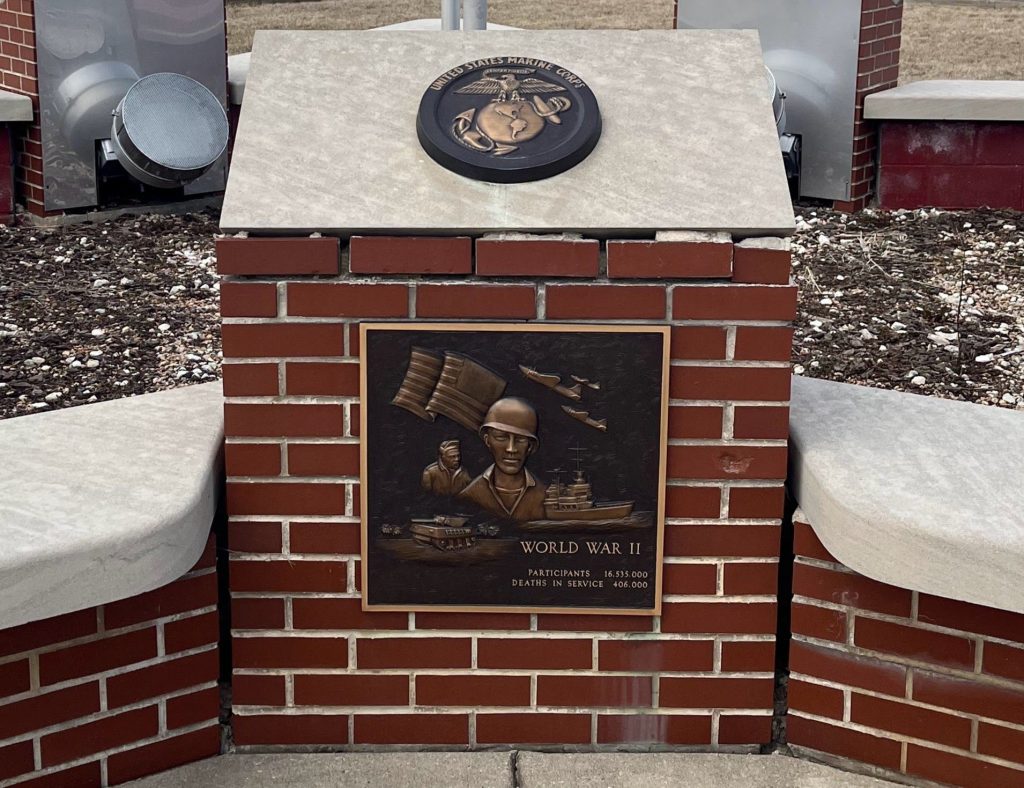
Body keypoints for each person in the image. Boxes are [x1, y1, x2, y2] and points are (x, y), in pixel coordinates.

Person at [458, 397, 546, 521]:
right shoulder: (470, 496)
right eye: (501, 437)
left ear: (530, 446)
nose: (511, 449)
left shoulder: (545, 496)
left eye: (520, 439)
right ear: (488, 441)